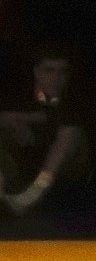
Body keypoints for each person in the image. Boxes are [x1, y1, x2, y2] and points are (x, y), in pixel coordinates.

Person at [0, 43, 90, 215]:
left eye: (62, 71)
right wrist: (11, 123)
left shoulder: (74, 97)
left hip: (65, 171)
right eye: (49, 70)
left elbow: (63, 117)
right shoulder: (19, 94)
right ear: (37, 72)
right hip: (23, 167)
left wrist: (20, 119)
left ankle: (34, 193)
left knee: (71, 131)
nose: (56, 77)